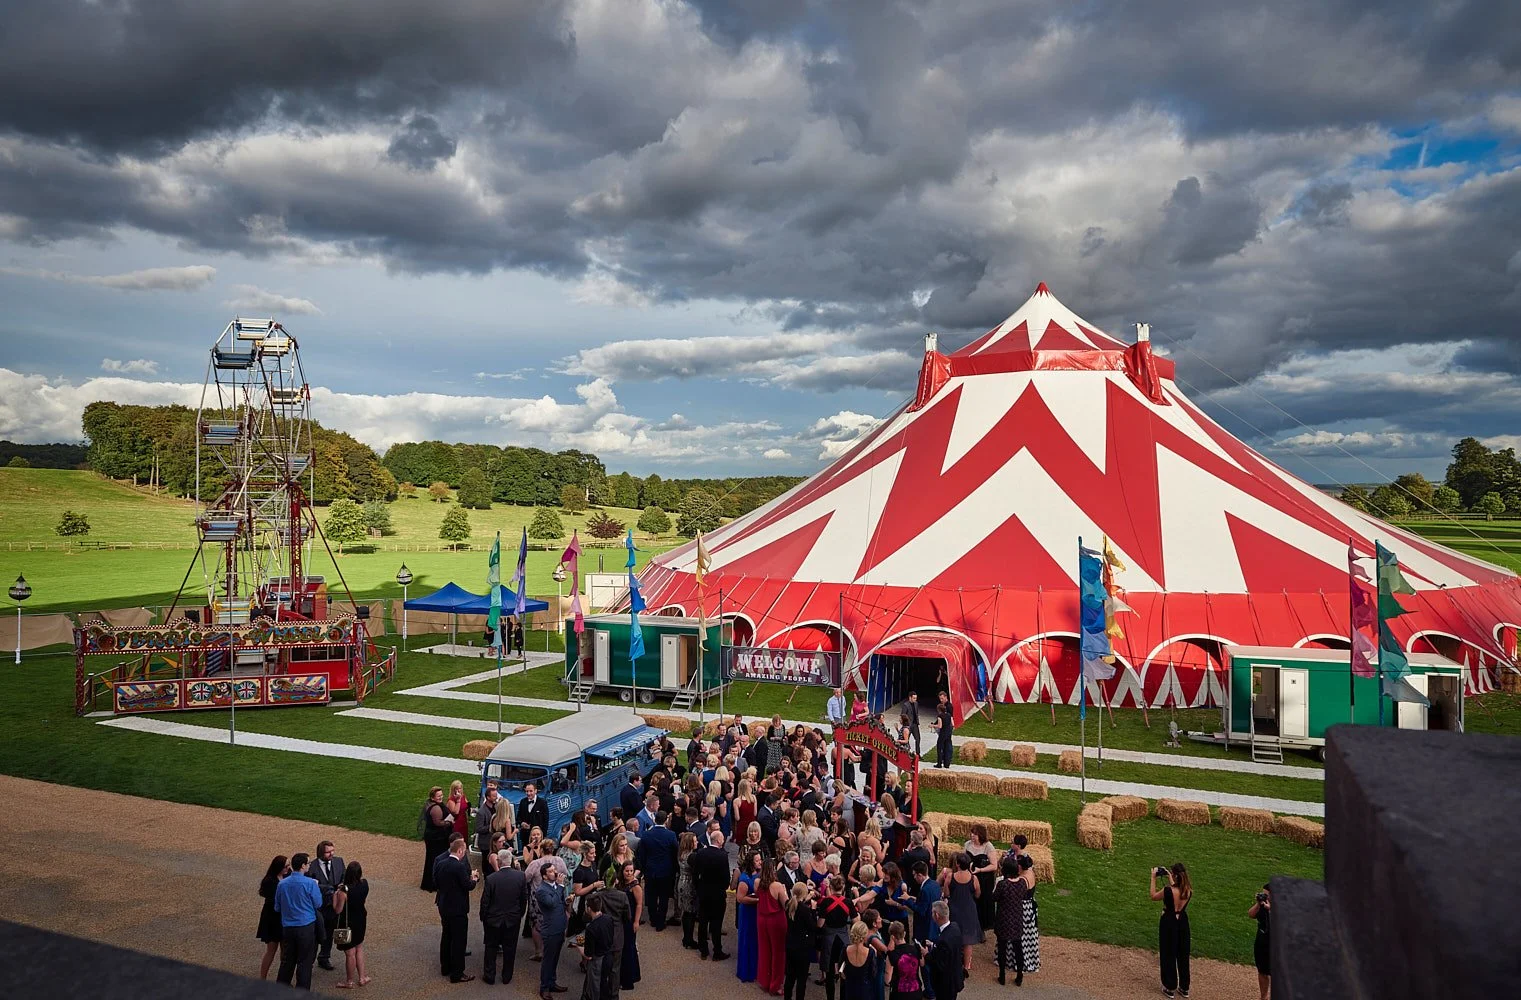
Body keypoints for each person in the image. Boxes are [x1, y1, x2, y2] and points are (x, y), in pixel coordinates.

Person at [273, 852, 323, 990]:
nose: (309, 865)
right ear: (302, 866)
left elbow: (277, 907)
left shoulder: (282, 884)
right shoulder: (310, 884)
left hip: (288, 928)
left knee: (287, 961)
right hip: (306, 928)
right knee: (305, 962)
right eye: (308, 863)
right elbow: (318, 903)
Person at [436, 833, 479, 983]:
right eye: (465, 850)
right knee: (459, 941)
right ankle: (457, 973)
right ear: (459, 851)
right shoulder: (459, 867)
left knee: (446, 937)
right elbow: (468, 886)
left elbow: (436, 881)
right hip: (458, 909)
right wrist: (474, 878)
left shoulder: (440, 863)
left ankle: (445, 967)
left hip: (444, 905)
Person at [481, 848, 527, 986]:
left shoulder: (491, 879)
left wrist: (484, 917)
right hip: (512, 919)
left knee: (491, 947)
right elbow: (523, 899)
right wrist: (519, 915)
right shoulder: (520, 876)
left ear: (499, 862)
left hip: (493, 920)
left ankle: (489, 975)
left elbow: (485, 901)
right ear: (511, 861)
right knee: (510, 948)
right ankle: (507, 976)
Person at [1151, 862, 1192, 999]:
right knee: (1183, 954)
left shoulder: (1168, 890)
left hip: (1169, 922)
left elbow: (1153, 896)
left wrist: (1153, 878)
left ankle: (1169, 986)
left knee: (1168, 953)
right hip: (1183, 923)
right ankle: (1184, 987)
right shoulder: (1188, 891)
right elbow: (1178, 888)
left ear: (1174, 875)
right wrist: (1170, 876)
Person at [635, 809, 678, 931]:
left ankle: (653, 919)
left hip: (650, 870)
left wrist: (642, 869)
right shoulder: (671, 835)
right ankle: (661, 921)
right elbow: (675, 852)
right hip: (666, 871)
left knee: (652, 895)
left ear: (654, 819)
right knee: (664, 896)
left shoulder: (646, 835)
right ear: (666, 820)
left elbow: (642, 855)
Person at [691, 830, 731, 960]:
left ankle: (703, 950)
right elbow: (726, 878)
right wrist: (723, 888)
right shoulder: (722, 856)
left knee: (703, 922)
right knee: (716, 924)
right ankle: (717, 951)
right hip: (718, 895)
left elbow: (695, 874)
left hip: (703, 894)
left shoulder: (701, 853)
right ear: (719, 841)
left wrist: (699, 888)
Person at [939, 853, 980, 974]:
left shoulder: (951, 877)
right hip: (969, 910)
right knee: (967, 941)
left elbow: (946, 893)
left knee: (954, 936)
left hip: (955, 909)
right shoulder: (974, 878)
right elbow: (978, 894)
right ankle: (966, 966)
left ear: (957, 864)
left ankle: (954, 963)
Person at [309, 840, 345, 971]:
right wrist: (329, 888)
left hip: (333, 907)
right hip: (318, 907)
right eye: (328, 852)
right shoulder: (312, 866)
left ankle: (324, 957)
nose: (332, 854)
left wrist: (340, 886)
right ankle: (309, 962)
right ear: (320, 853)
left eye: (332, 851)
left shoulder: (339, 861)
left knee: (329, 934)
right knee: (315, 936)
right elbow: (310, 885)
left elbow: (343, 877)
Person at [333, 861, 369, 989]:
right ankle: (362, 977)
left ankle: (349, 981)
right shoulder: (365, 884)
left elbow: (337, 910)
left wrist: (335, 896)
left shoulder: (344, 892)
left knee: (350, 953)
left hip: (347, 923)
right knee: (359, 947)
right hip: (360, 919)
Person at [537, 861, 570, 999]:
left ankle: (552, 982)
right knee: (548, 959)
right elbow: (550, 903)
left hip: (560, 926)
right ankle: (544, 987)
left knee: (555, 958)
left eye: (554, 870)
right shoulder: (541, 890)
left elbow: (559, 901)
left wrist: (567, 901)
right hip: (550, 930)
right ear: (544, 876)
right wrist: (561, 886)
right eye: (550, 871)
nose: (555, 872)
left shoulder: (556, 886)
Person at [816, 876, 853, 1000]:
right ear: (842, 888)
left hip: (829, 939)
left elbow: (820, 924)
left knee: (830, 972)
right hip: (843, 939)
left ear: (830, 888)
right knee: (844, 970)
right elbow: (856, 920)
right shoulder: (848, 902)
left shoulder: (826, 902)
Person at [991, 856, 1025, 987]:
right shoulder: (1022, 883)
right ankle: (1020, 975)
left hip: (1004, 919)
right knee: (1018, 948)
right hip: (1016, 918)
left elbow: (994, 898)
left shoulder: (1003, 884)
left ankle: (1002, 975)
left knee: (1002, 947)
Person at [757, 857, 789, 996]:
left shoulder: (757, 883)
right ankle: (776, 985)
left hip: (761, 919)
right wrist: (786, 892)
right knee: (778, 953)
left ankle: (764, 980)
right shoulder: (777, 886)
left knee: (764, 950)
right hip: (776, 920)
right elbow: (786, 905)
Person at [783, 881, 818, 1000]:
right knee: (801, 979)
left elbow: (797, 904)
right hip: (803, 947)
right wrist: (813, 910)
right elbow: (813, 927)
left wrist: (805, 899)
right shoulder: (805, 910)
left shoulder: (789, 904)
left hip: (790, 944)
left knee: (790, 976)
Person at [257, 855, 290, 980]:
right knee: (271, 950)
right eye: (286, 866)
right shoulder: (269, 881)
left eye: (288, 865)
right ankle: (262, 978)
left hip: (283, 918)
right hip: (272, 918)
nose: (288, 868)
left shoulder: (287, 875)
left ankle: (283, 979)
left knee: (284, 951)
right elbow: (274, 902)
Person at [963, 826, 997, 938]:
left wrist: (980, 870)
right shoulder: (967, 844)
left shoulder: (988, 847)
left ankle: (981, 929)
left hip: (984, 880)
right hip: (970, 878)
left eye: (975, 834)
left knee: (982, 903)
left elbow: (994, 865)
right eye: (972, 833)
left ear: (980, 835)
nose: (972, 836)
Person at [578, 895, 614, 1000]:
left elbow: (588, 955)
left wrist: (578, 946)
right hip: (609, 956)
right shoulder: (608, 919)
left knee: (595, 988)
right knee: (604, 984)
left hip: (598, 961)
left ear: (589, 909)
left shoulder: (591, 928)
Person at [925, 902, 963, 1000]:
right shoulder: (955, 927)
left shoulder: (943, 939)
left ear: (936, 915)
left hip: (945, 984)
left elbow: (939, 964)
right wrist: (933, 945)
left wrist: (926, 954)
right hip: (954, 977)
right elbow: (949, 950)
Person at [615, 861, 643, 991]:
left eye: (631, 871)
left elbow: (639, 904)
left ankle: (628, 981)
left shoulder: (635, 886)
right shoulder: (620, 883)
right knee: (625, 947)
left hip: (630, 921)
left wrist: (636, 921)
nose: (629, 873)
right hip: (621, 919)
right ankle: (632, 975)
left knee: (628, 948)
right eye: (627, 871)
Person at [421, 786, 455, 891]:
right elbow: (438, 823)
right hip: (437, 838)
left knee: (431, 859)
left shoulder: (429, 804)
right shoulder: (436, 808)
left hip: (433, 836)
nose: (441, 797)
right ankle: (434, 883)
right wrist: (449, 822)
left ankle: (431, 881)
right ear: (433, 797)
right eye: (438, 796)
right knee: (436, 859)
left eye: (441, 795)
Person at [734, 850, 761, 982]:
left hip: (757, 913)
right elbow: (740, 898)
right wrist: (758, 900)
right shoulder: (745, 878)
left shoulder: (760, 874)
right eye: (757, 860)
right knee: (747, 940)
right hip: (747, 913)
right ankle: (746, 971)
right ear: (751, 862)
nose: (759, 862)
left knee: (756, 941)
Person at [886, 920, 923, 1000]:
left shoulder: (892, 955)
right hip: (916, 990)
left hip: (899, 993)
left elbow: (887, 978)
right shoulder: (916, 949)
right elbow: (922, 963)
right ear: (905, 933)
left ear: (892, 937)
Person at [676, 831, 700, 949]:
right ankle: (689, 939)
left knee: (686, 912)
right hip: (689, 885)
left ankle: (686, 938)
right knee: (690, 913)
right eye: (695, 841)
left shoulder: (681, 853)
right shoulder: (692, 856)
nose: (697, 843)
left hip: (681, 881)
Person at [907, 862, 941, 947]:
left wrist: (908, 900)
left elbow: (921, 910)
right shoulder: (935, 885)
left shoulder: (924, 890)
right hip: (934, 924)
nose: (914, 877)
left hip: (924, 927)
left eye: (915, 875)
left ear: (920, 875)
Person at [840, 921, 874, 1000]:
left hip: (849, 987)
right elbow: (873, 973)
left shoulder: (846, 949)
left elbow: (841, 966)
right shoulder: (870, 952)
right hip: (864, 988)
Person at [1249, 884, 1271, 1000]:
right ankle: (1264, 997)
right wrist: (1258, 904)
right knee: (1262, 970)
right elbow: (1251, 914)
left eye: (1266, 895)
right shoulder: (1262, 904)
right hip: (1262, 940)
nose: (1264, 896)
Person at [520, 782, 550, 850]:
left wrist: (543, 836)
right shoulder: (523, 802)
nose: (528, 793)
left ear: (535, 791)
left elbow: (546, 820)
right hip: (525, 837)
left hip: (538, 838)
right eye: (527, 791)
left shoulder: (542, 802)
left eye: (531, 791)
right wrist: (522, 823)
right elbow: (519, 817)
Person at [477, 782, 502, 856]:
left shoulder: (496, 807)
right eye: (494, 796)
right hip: (486, 844)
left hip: (494, 842)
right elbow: (479, 829)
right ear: (488, 797)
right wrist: (492, 826)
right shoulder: (481, 812)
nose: (496, 798)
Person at [932, 701, 953, 769]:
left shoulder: (940, 716)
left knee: (940, 748)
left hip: (943, 733)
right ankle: (947, 764)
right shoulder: (949, 715)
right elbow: (952, 724)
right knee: (947, 748)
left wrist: (933, 726)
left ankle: (939, 763)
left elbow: (940, 726)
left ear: (939, 710)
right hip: (948, 733)